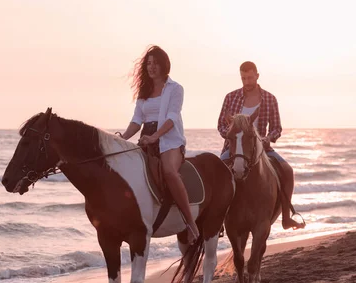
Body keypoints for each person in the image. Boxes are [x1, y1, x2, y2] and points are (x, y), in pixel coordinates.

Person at [120, 45, 200, 243]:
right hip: (147, 139)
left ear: (164, 65)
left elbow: (172, 118)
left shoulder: (175, 89)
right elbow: (137, 120)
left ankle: (191, 223)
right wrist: (122, 138)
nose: (151, 67)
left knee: (169, 172)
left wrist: (156, 136)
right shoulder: (144, 91)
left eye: (155, 63)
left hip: (170, 140)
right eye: (148, 64)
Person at [217, 61, 305, 230]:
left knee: (287, 171)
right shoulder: (230, 97)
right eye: (243, 78)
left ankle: (286, 217)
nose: (247, 82)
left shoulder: (269, 99)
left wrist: (267, 139)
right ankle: (218, 220)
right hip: (235, 149)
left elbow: (276, 128)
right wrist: (231, 135)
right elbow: (221, 124)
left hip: (262, 149)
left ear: (257, 76)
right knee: (217, 174)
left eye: (250, 78)